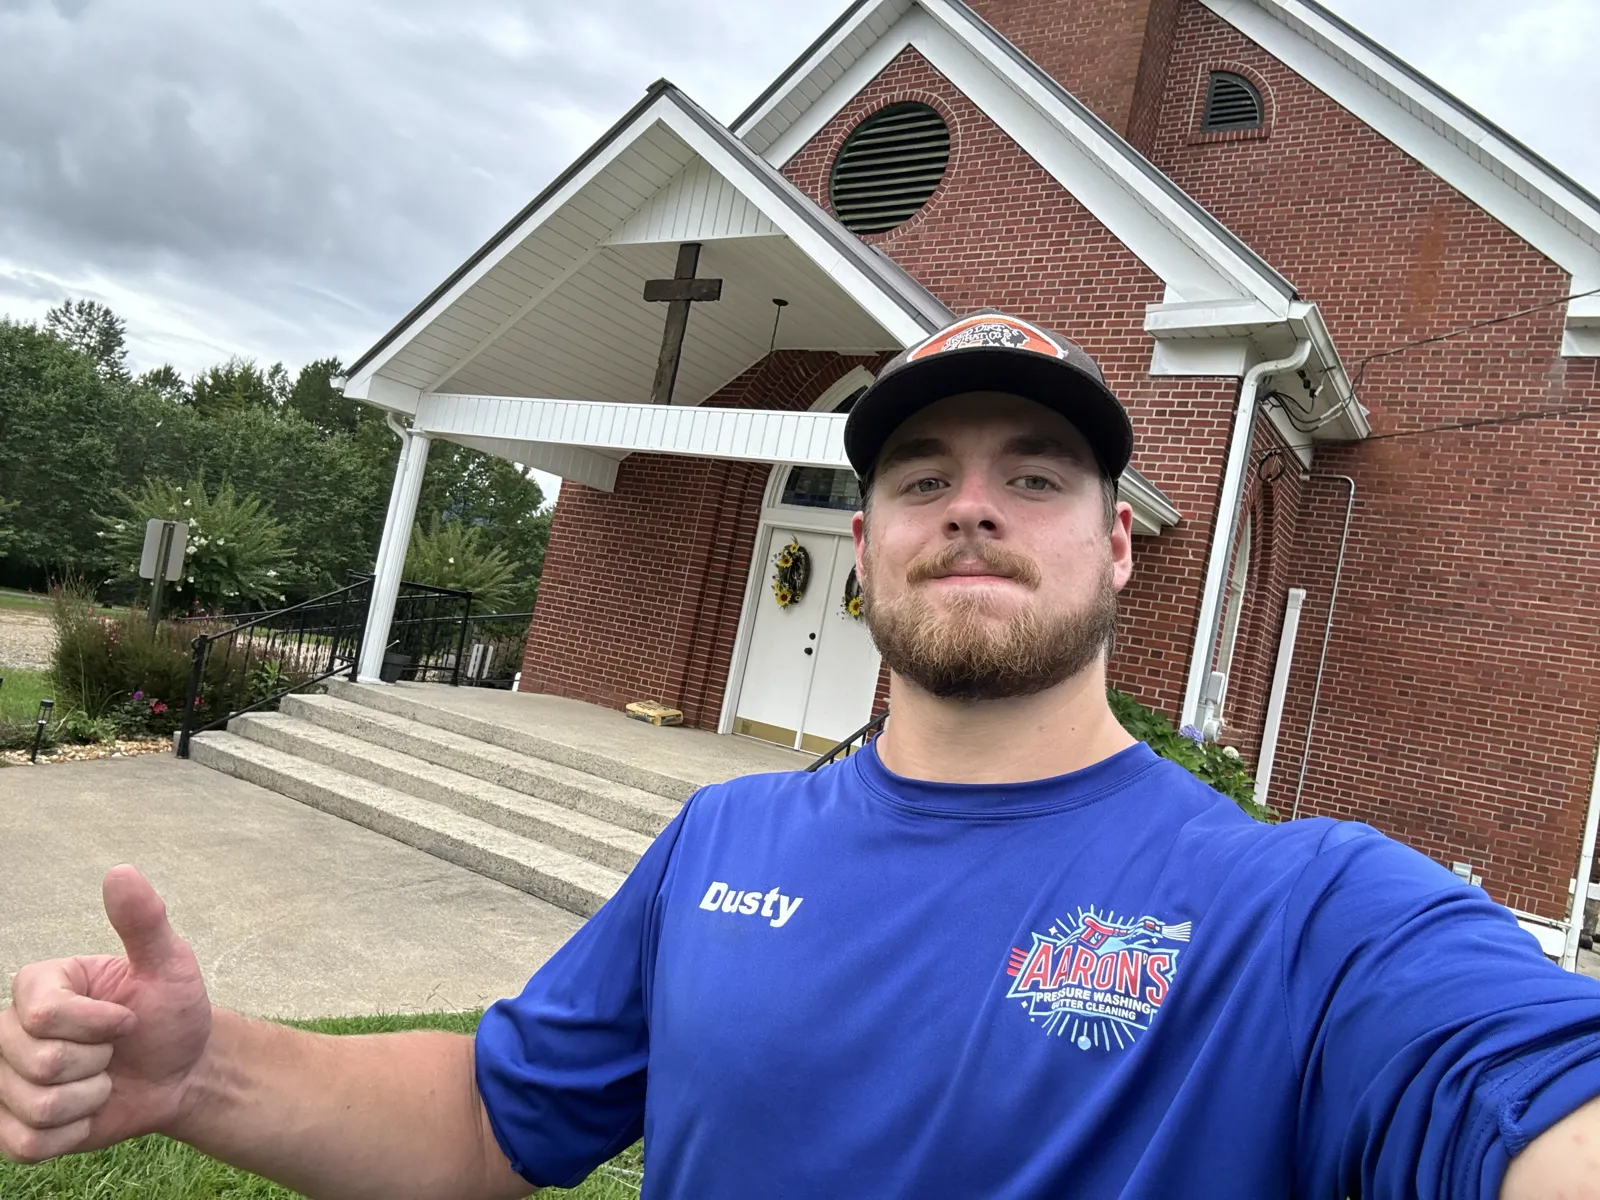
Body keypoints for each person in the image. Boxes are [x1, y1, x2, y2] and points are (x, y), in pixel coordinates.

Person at [3, 310, 1599, 1199]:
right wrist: (195, 1071)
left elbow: (1531, 1101)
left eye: (1034, 475)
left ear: (1121, 546)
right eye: (920, 477)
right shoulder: (722, 845)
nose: (971, 503)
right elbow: (495, 1122)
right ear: (861, 554)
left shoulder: (1303, 909)